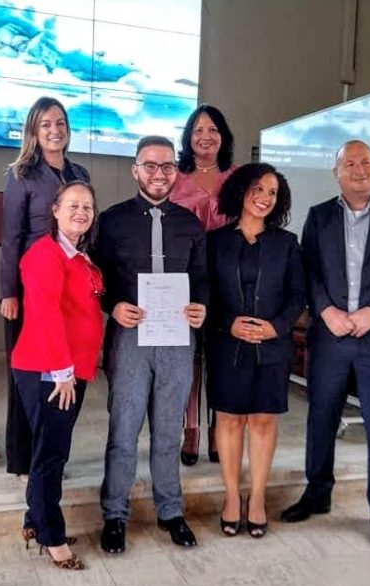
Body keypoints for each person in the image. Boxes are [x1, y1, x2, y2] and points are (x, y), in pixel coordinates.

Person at [281, 140, 370, 548]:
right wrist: (326, 310)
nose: (359, 169)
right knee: (321, 417)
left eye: (366, 162)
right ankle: (317, 493)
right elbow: (309, 269)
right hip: (331, 335)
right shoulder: (320, 215)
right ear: (337, 173)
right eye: (350, 163)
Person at [93, 136, 208, 554]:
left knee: (168, 429)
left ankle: (170, 511)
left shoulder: (190, 223)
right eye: (150, 166)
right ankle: (114, 515)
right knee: (124, 427)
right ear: (135, 170)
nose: (159, 174)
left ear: (176, 171)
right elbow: (96, 277)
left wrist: (202, 306)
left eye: (167, 166)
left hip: (177, 337)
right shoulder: (112, 221)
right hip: (130, 336)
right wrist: (112, 305)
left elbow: (202, 276)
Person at [206, 163, 305, 537]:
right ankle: (232, 497)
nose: (264, 197)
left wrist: (276, 327)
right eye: (258, 189)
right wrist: (227, 323)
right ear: (240, 191)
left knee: (263, 421)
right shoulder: (215, 241)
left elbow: (298, 296)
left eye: (272, 192)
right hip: (226, 345)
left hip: (272, 347)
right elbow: (203, 294)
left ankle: (258, 498)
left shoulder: (287, 243)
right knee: (230, 420)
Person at [12, 181, 104, 570]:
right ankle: (52, 536)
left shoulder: (78, 255)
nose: (81, 212)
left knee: (49, 450)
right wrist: (62, 372)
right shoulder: (44, 254)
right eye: (73, 205)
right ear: (55, 210)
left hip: (69, 369)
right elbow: (46, 315)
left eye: (87, 207)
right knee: (51, 454)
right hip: (48, 370)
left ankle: (35, 521)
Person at [0, 97, 90, 478]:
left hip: (70, 291)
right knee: (29, 378)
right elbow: (11, 237)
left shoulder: (79, 172)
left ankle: (51, 455)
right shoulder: (20, 174)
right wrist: (8, 292)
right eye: (46, 125)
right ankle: (24, 459)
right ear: (34, 132)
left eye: (60, 123)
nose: (55, 131)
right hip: (31, 289)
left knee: (61, 373)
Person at [171, 104, 236, 466]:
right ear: (188, 137)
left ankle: (216, 428)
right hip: (186, 277)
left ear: (223, 135)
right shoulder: (175, 177)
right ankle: (190, 429)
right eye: (198, 130)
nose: (205, 136)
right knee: (190, 356)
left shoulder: (237, 177)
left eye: (213, 129)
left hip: (227, 278)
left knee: (220, 356)